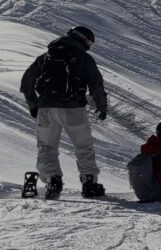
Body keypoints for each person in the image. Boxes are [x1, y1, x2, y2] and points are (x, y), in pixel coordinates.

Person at [19, 26, 108, 199]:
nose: (89, 44)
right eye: (89, 41)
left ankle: (53, 180)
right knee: (83, 146)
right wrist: (102, 107)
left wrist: (33, 104)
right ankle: (89, 183)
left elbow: (26, 81)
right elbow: (96, 85)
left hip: (46, 108)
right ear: (83, 38)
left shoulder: (46, 57)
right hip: (74, 109)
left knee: (47, 146)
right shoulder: (84, 58)